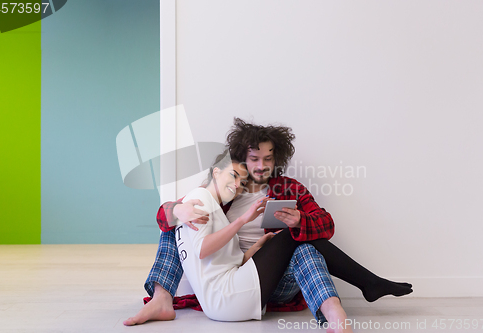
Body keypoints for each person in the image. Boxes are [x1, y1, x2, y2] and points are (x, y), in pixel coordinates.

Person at [124, 118, 412, 327]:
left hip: (280, 281)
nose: (261, 166)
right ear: (241, 159)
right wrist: (177, 211)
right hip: (233, 281)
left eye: (268, 159)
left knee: (302, 245)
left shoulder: (289, 188)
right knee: (172, 228)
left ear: (277, 160)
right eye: (254, 159)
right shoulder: (226, 188)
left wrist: (300, 220)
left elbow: (326, 224)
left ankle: (333, 311)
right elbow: (164, 215)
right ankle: (162, 300)